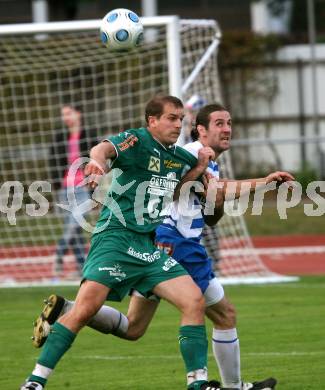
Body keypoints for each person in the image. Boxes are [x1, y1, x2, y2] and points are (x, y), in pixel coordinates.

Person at [30, 103, 293, 389]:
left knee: (133, 327)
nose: (227, 129)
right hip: (173, 242)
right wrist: (262, 183)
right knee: (222, 312)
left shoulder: (194, 159)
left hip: (154, 243)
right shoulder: (189, 153)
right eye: (219, 124)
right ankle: (225, 385)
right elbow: (103, 149)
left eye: (229, 123)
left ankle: (67, 310)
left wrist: (214, 191)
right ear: (201, 130)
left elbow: (210, 212)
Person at [21, 95, 221, 390]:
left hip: (148, 247)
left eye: (181, 119)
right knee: (84, 311)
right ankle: (35, 382)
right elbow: (103, 148)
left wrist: (201, 164)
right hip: (115, 239)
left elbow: (178, 188)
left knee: (193, 301)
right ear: (152, 121)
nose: (178, 124)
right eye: (171, 118)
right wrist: (98, 165)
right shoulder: (137, 141)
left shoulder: (177, 156)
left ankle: (198, 383)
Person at [49, 104, 97, 277]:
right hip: (66, 188)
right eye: (63, 115)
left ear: (78, 114)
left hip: (83, 188)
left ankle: (58, 256)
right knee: (75, 230)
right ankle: (81, 267)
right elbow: (53, 161)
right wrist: (57, 184)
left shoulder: (89, 136)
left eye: (69, 113)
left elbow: (97, 162)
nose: (66, 118)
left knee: (73, 225)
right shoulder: (60, 137)